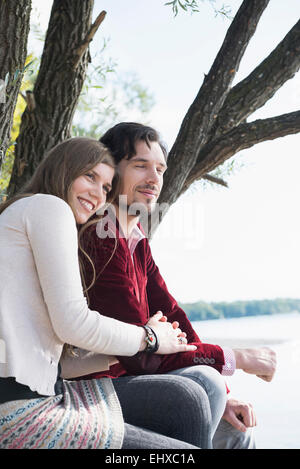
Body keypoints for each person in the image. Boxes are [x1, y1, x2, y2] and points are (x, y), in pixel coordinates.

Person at [0, 136, 215, 450]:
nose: (97, 194)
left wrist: (137, 347)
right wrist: (150, 339)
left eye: (106, 187)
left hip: (40, 392)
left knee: (186, 398)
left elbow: (50, 366)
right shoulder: (49, 207)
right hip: (19, 415)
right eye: (90, 177)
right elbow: (73, 323)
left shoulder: (32, 214)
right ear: (63, 170)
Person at [77, 123, 277, 449]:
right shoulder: (100, 238)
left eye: (160, 168)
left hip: (132, 379)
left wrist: (226, 396)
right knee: (205, 382)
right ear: (110, 170)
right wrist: (237, 357)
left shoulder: (135, 238)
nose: (155, 179)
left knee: (236, 431)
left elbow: (170, 312)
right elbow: (140, 356)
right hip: (96, 384)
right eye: (141, 166)